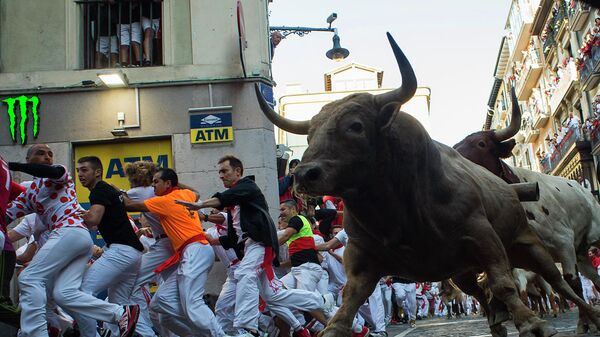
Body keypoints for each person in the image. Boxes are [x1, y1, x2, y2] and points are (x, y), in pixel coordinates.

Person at [176, 155, 333, 337]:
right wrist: (213, 239)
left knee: (245, 273)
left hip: (260, 244)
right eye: (219, 172)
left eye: (225, 171)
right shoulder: (237, 203)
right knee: (272, 296)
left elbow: (224, 198)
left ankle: (248, 327)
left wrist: (200, 205)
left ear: (238, 171)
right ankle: (321, 300)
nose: (221, 175)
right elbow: (233, 234)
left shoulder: (247, 187)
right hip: (251, 247)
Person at [6, 144, 139, 337]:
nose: (48, 157)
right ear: (29, 160)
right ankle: (119, 313)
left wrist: (9, 165)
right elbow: (6, 215)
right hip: (79, 240)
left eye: (50, 154)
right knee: (64, 294)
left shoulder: (61, 175)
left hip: (69, 232)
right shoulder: (29, 195)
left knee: (29, 278)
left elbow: (49, 171)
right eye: (40, 154)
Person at [123, 168, 230, 337]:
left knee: (192, 304)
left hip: (195, 250)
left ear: (167, 184)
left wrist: (117, 191)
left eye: (156, 181)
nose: (153, 186)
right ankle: (200, 329)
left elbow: (128, 205)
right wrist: (175, 182)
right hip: (194, 251)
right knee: (159, 304)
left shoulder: (163, 201)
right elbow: (196, 193)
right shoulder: (185, 194)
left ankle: (219, 335)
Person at [76, 156, 145, 337]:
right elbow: (93, 220)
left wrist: (71, 213)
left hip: (121, 252)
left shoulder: (98, 190)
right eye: (78, 171)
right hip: (133, 255)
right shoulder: (106, 190)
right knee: (119, 301)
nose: (80, 175)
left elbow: (93, 220)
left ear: (97, 172)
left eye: (84, 170)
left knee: (83, 292)